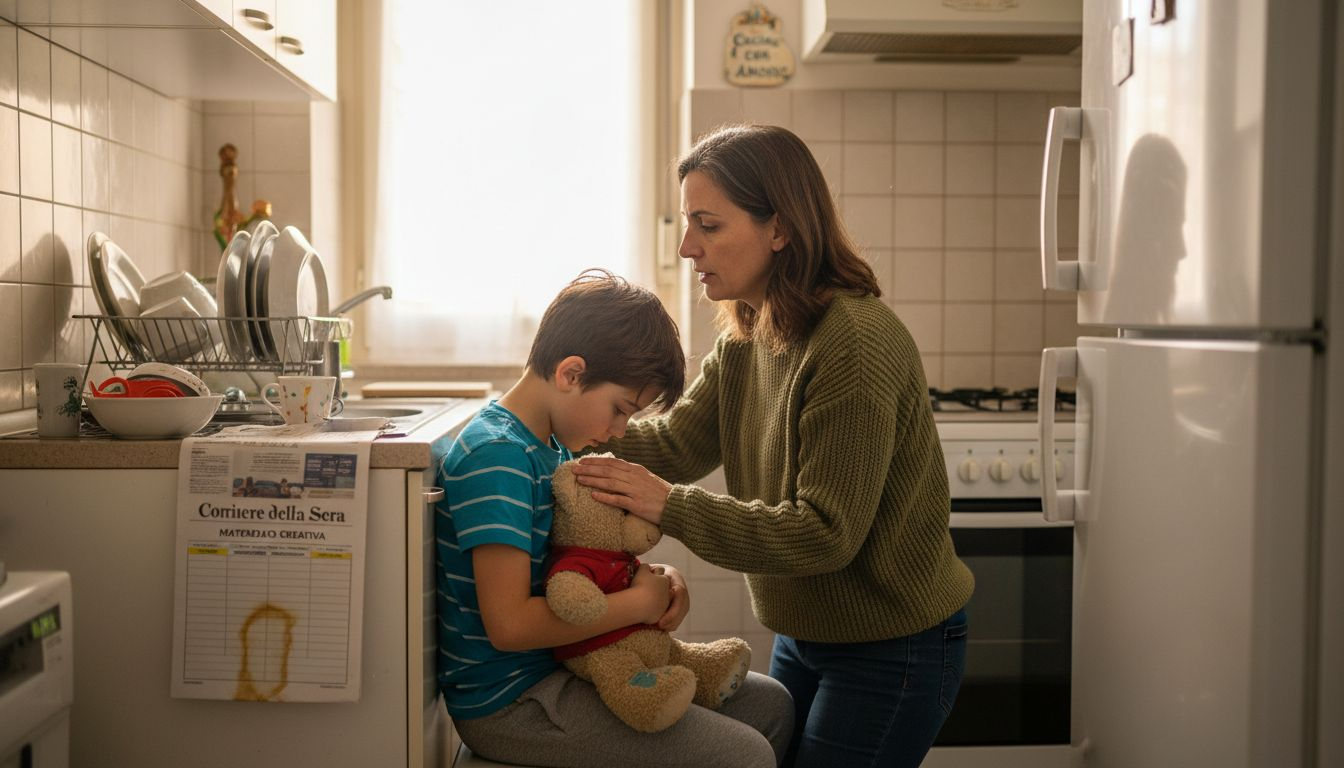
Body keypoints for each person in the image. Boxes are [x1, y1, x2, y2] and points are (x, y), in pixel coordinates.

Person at [570, 124, 974, 768]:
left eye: (708, 225)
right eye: (688, 223)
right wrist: (564, 426)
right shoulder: (749, 331)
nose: (686, 246)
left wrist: (666, 505)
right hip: (807, 632)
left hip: (893, 644)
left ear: (779, 229)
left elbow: (824, 534)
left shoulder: (853, 343)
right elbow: (675, 443)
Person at [435, 269, 794, 768]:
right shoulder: (498, 457)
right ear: (571, 374)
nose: (620, 431)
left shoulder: (550, 446)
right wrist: (638, 604)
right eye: (621, 410)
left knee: (772, 704)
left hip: (565, 665)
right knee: (745, 755)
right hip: (514, 702)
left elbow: (578, 557)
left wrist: (655, 579)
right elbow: (510, 626)